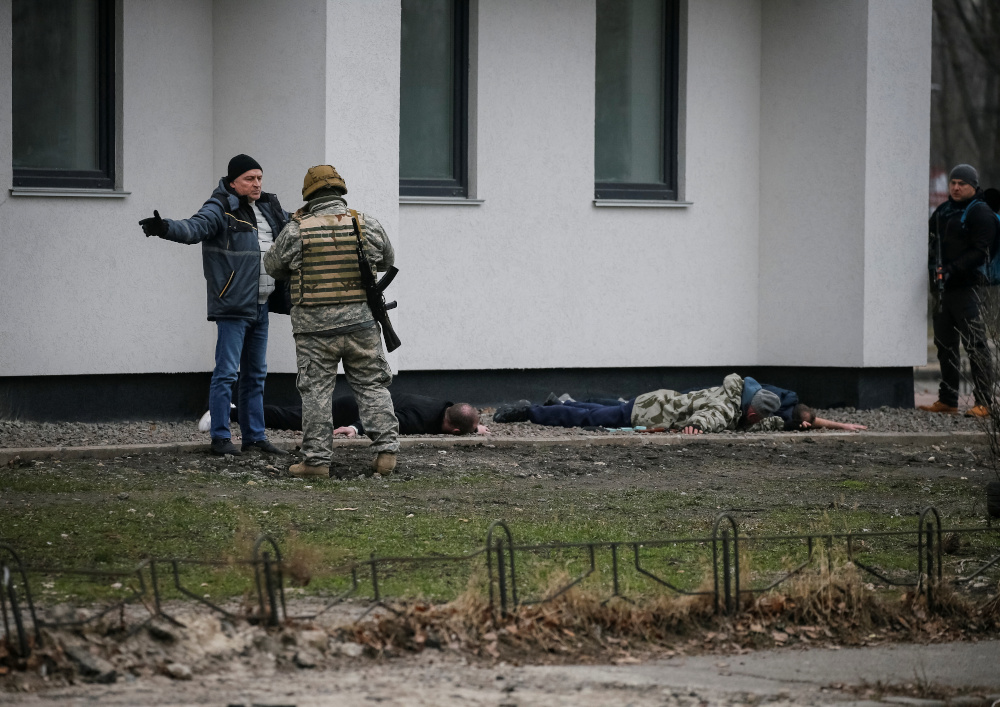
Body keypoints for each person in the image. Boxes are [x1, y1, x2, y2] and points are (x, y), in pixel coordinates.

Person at [139, 154, 289, 457]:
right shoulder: (220, 207)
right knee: (227, 373)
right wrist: (164, 227)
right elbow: (194, 228)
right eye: (249, 178)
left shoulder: (269, 208)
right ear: (233, 181)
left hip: (261, 305)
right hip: (234, 305)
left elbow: (298, 224)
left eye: (259, 178)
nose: (257, 184)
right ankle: (220, 437)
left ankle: (255, 437)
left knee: (256, 375)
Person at [263, 165, 398, 478]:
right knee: (371, 386)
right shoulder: (366, 224)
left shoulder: (297, 229)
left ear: (309, 196)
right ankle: (386, 452)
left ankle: (316, 462)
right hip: (361, 326)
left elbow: (272, 265)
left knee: (316, 394)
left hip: (314, 331)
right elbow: (387, 259)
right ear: (340, 191)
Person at [920, 164, 999, 418]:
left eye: (961, 183)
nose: (955, 187)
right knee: (944, 345)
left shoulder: (981, 212)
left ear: (973, 186)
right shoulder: (943, 210)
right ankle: (948, 400)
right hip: (943, 290)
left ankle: (985, 402)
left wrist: (953, 268)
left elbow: (981, 251)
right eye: (953, 182)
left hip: (969, 288)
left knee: (976, 345)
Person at [494, 373, 785, 434]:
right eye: (757, 417)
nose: (756, 421)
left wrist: (782, 421)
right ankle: (528, 412)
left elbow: (754, 422)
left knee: (596, 412)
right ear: (750, 410)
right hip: (650, 412)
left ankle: (551, 405)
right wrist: (697, 426)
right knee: (588, 419)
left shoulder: (736, 398)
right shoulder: (726, 406)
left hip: (656, 402)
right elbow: (713, 417)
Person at [200, 393, 488, 436]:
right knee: (295, 419)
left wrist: (475, 426)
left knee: (296, 415)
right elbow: (385, 420)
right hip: (352, 409)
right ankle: (229, 412)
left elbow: (460, 412)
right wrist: (354, 428)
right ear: (454, 432)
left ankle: (234, 410)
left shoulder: (442, 406)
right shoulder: (419, 418)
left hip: (358, 402)